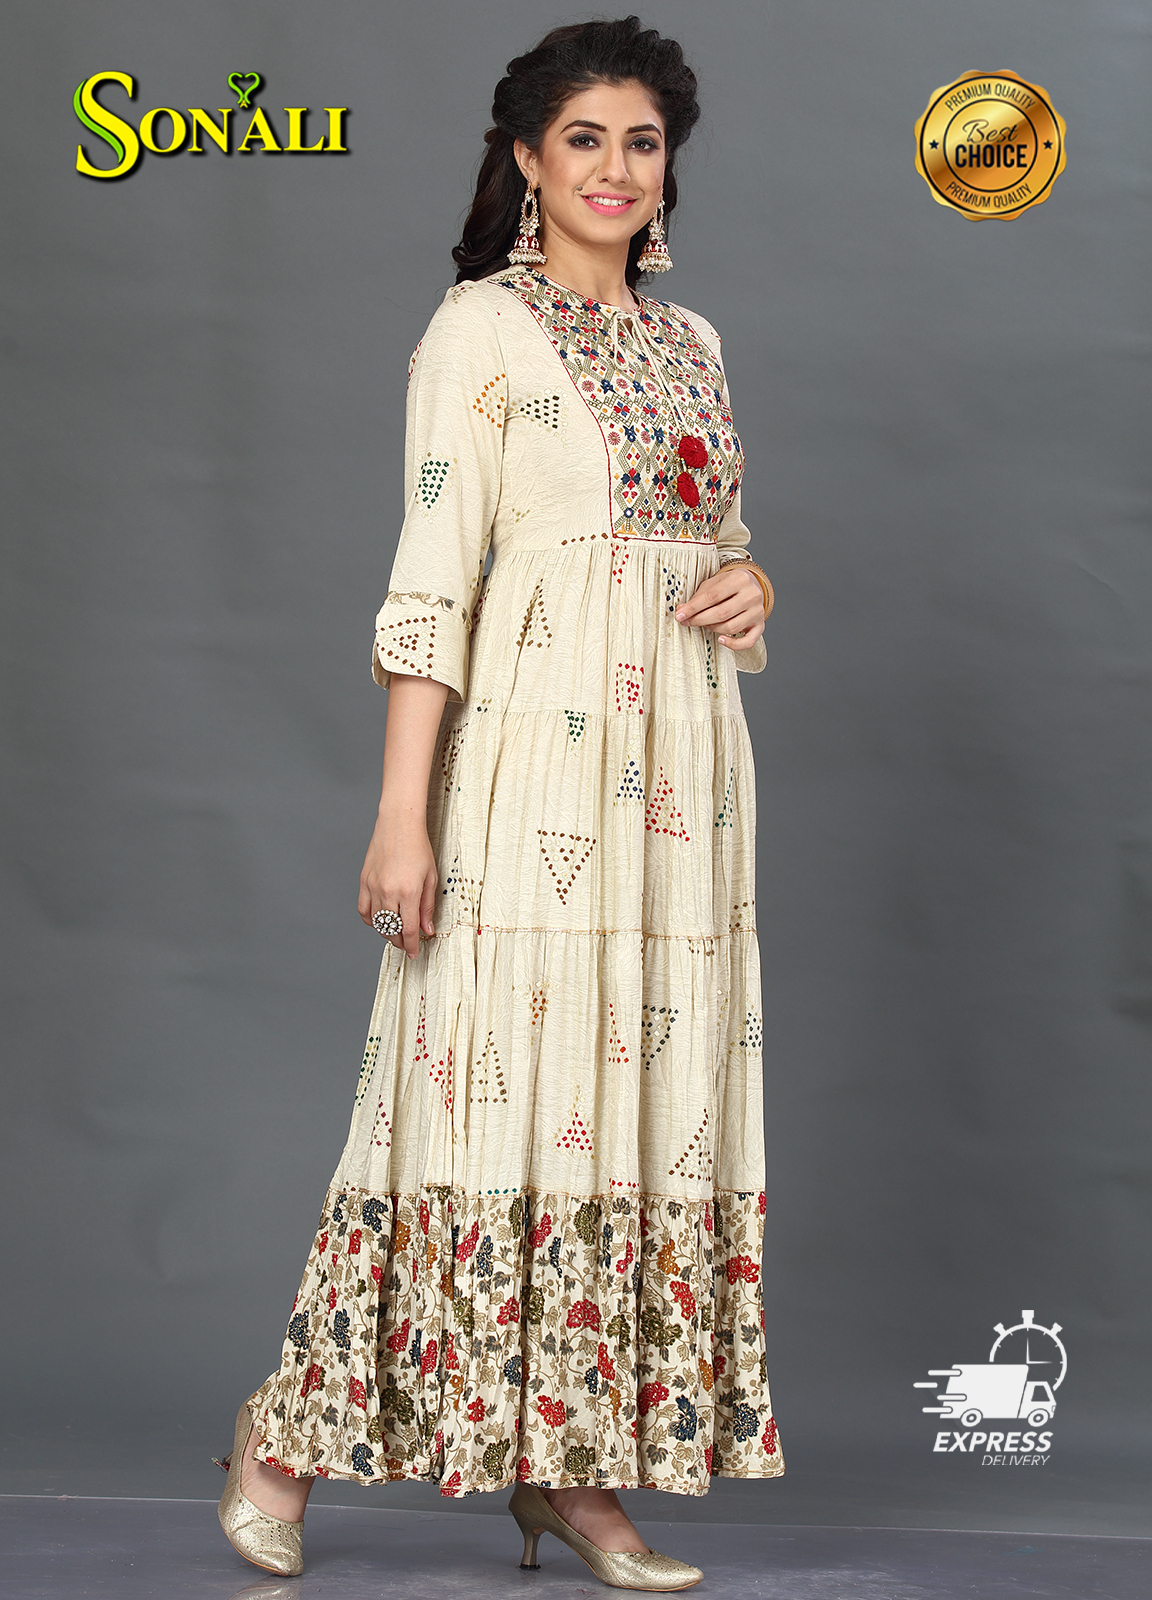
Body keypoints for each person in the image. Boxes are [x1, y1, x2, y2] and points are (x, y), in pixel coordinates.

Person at [216, 16, 783, 1591]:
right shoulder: (478, 330)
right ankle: (283, 1441)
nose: (616, 167)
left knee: (635, 1113)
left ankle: (572, 1473)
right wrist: (402, 816)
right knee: (472, 1099)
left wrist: (753, 586)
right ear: (528, 159)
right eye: (584, 138)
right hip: (530, 777)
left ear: (668, 168)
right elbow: (432, 585)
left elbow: (720, 543)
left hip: (683, 796)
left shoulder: (695, 342)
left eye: (642, 141)